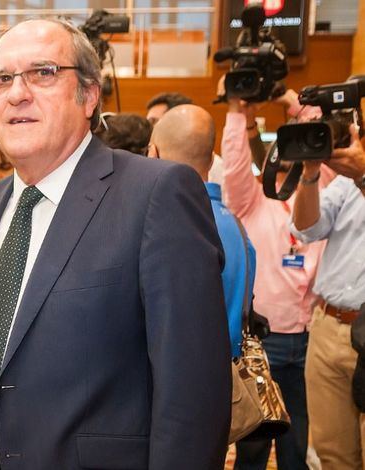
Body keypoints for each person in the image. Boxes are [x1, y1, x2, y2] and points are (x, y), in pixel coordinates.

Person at [0, 18, 230, 469]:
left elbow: (193, 396)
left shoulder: (155, 194)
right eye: (2, 79)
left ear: (89, 95)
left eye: (43, 73)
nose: (17, 93)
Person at [221, 90, 329, 470]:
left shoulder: (319, 201)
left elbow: (321, 136)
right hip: (264, 342)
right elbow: (234, 165)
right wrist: (238, 111)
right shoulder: (251, 200)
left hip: (311, 339)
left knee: (298, 441)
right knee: (253, 446)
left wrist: (290, 98)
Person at [149, 104, 256, 357]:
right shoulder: (236, 226)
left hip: (182, 377)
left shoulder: (165, 225)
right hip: (228, 375)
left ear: (152, 154)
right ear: (211, 158)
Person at [290, 122, 365, 470]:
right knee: (332, 452)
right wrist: (310, 172)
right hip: (328, 325)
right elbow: (306, 227)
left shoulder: (358, 177)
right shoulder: (347, 183)